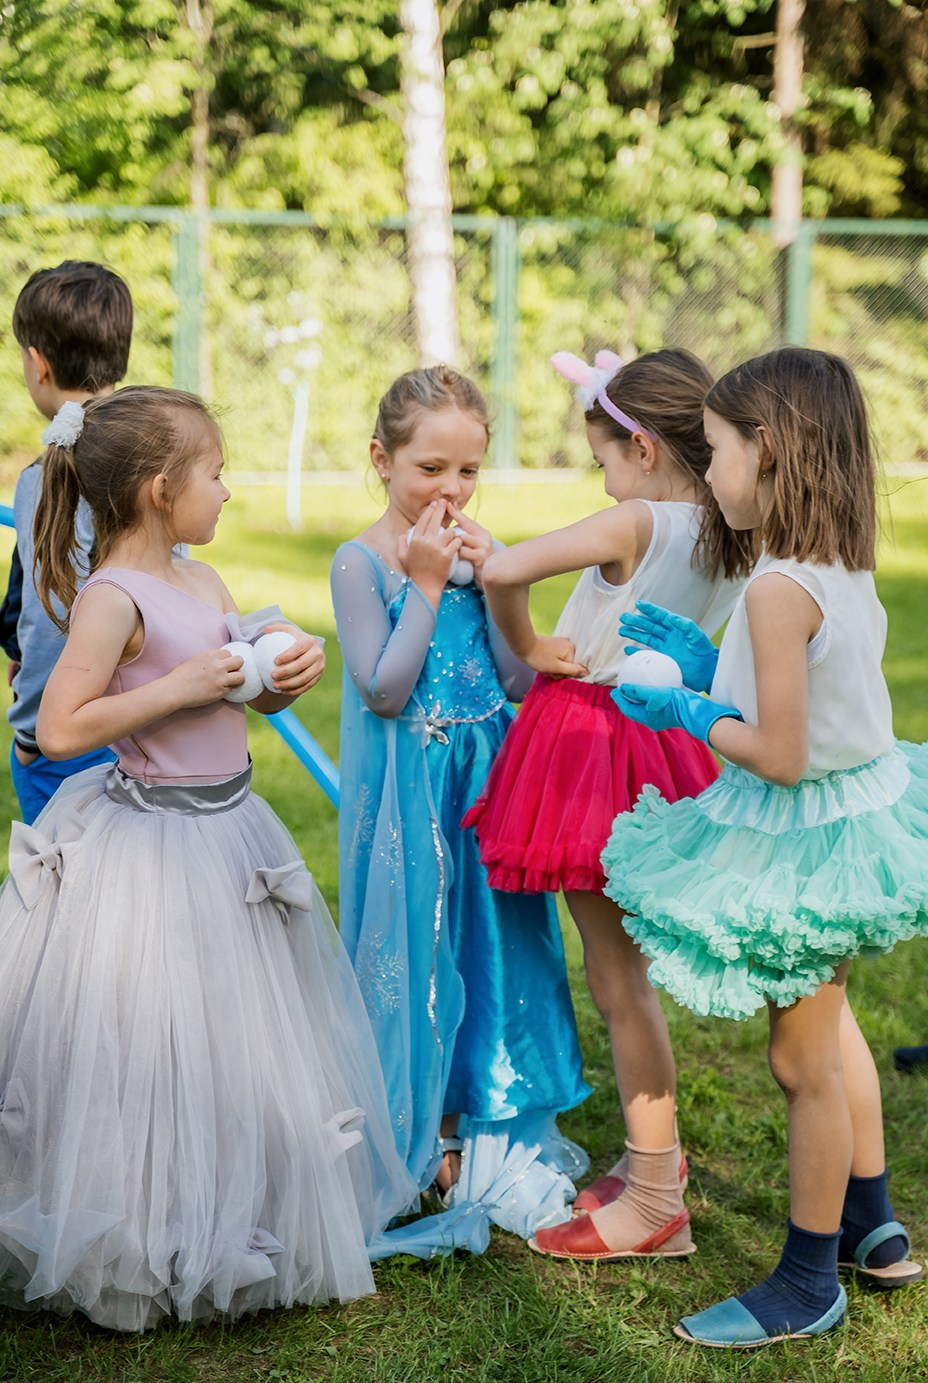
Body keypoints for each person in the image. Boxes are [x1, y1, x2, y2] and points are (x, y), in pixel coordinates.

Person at [0, 387, 417, 1330]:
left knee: (239, 1048)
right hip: (154, 851)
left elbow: (233, 695)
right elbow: (60, 726)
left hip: (232, 834)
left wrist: (276, 676)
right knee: (153, 1049)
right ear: (159, 490)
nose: (227, 493)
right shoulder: (114, 595)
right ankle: (139, 1241)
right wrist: (183, 682)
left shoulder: (202, 582)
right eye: (216, 474)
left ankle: (235, 1217)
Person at [602, 347, 927, 1348]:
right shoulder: (836, 561)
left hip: (801, 832)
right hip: (851, 816)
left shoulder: (776, 588)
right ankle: (868, 1222)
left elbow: (779, 755)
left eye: (717, 451)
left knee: (802, 1064)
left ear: (769, 450)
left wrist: (687, 708)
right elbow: (813, 701)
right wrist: (720, 669)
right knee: (830, 1040)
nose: (710, 473)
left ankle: (805, 1279)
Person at [466, 348, 752, 1262]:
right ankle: (646, 1166)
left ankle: (658, 1196)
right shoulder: (731, 526)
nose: (602, 475)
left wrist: (533, 647)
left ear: (640, 449)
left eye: (602, 456)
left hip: (594, 741)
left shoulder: (636, 518)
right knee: (626, 971)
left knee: (618, 978)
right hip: (667, 739)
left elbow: (505, 569)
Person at [331, 365, 590, 1255]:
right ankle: (424, 1127)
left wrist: (501, 586)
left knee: (499, 944)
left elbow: (517, 679)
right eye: (429, 468)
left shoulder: (481, 555)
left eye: (468, 471)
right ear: (381, 458)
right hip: (414, 794)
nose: (450, 490)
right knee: (421, 945)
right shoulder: (359, 563)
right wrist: (430, 585)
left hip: (488, 786)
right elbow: (385, 689)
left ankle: (489, 1117)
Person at [4, 260, 134, 824]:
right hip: (144, 724)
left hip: (70, 735)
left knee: (62, 899)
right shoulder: (153, 462)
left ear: (38, 363)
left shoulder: (46, 476)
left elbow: (51, 618)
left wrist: (33, 730)